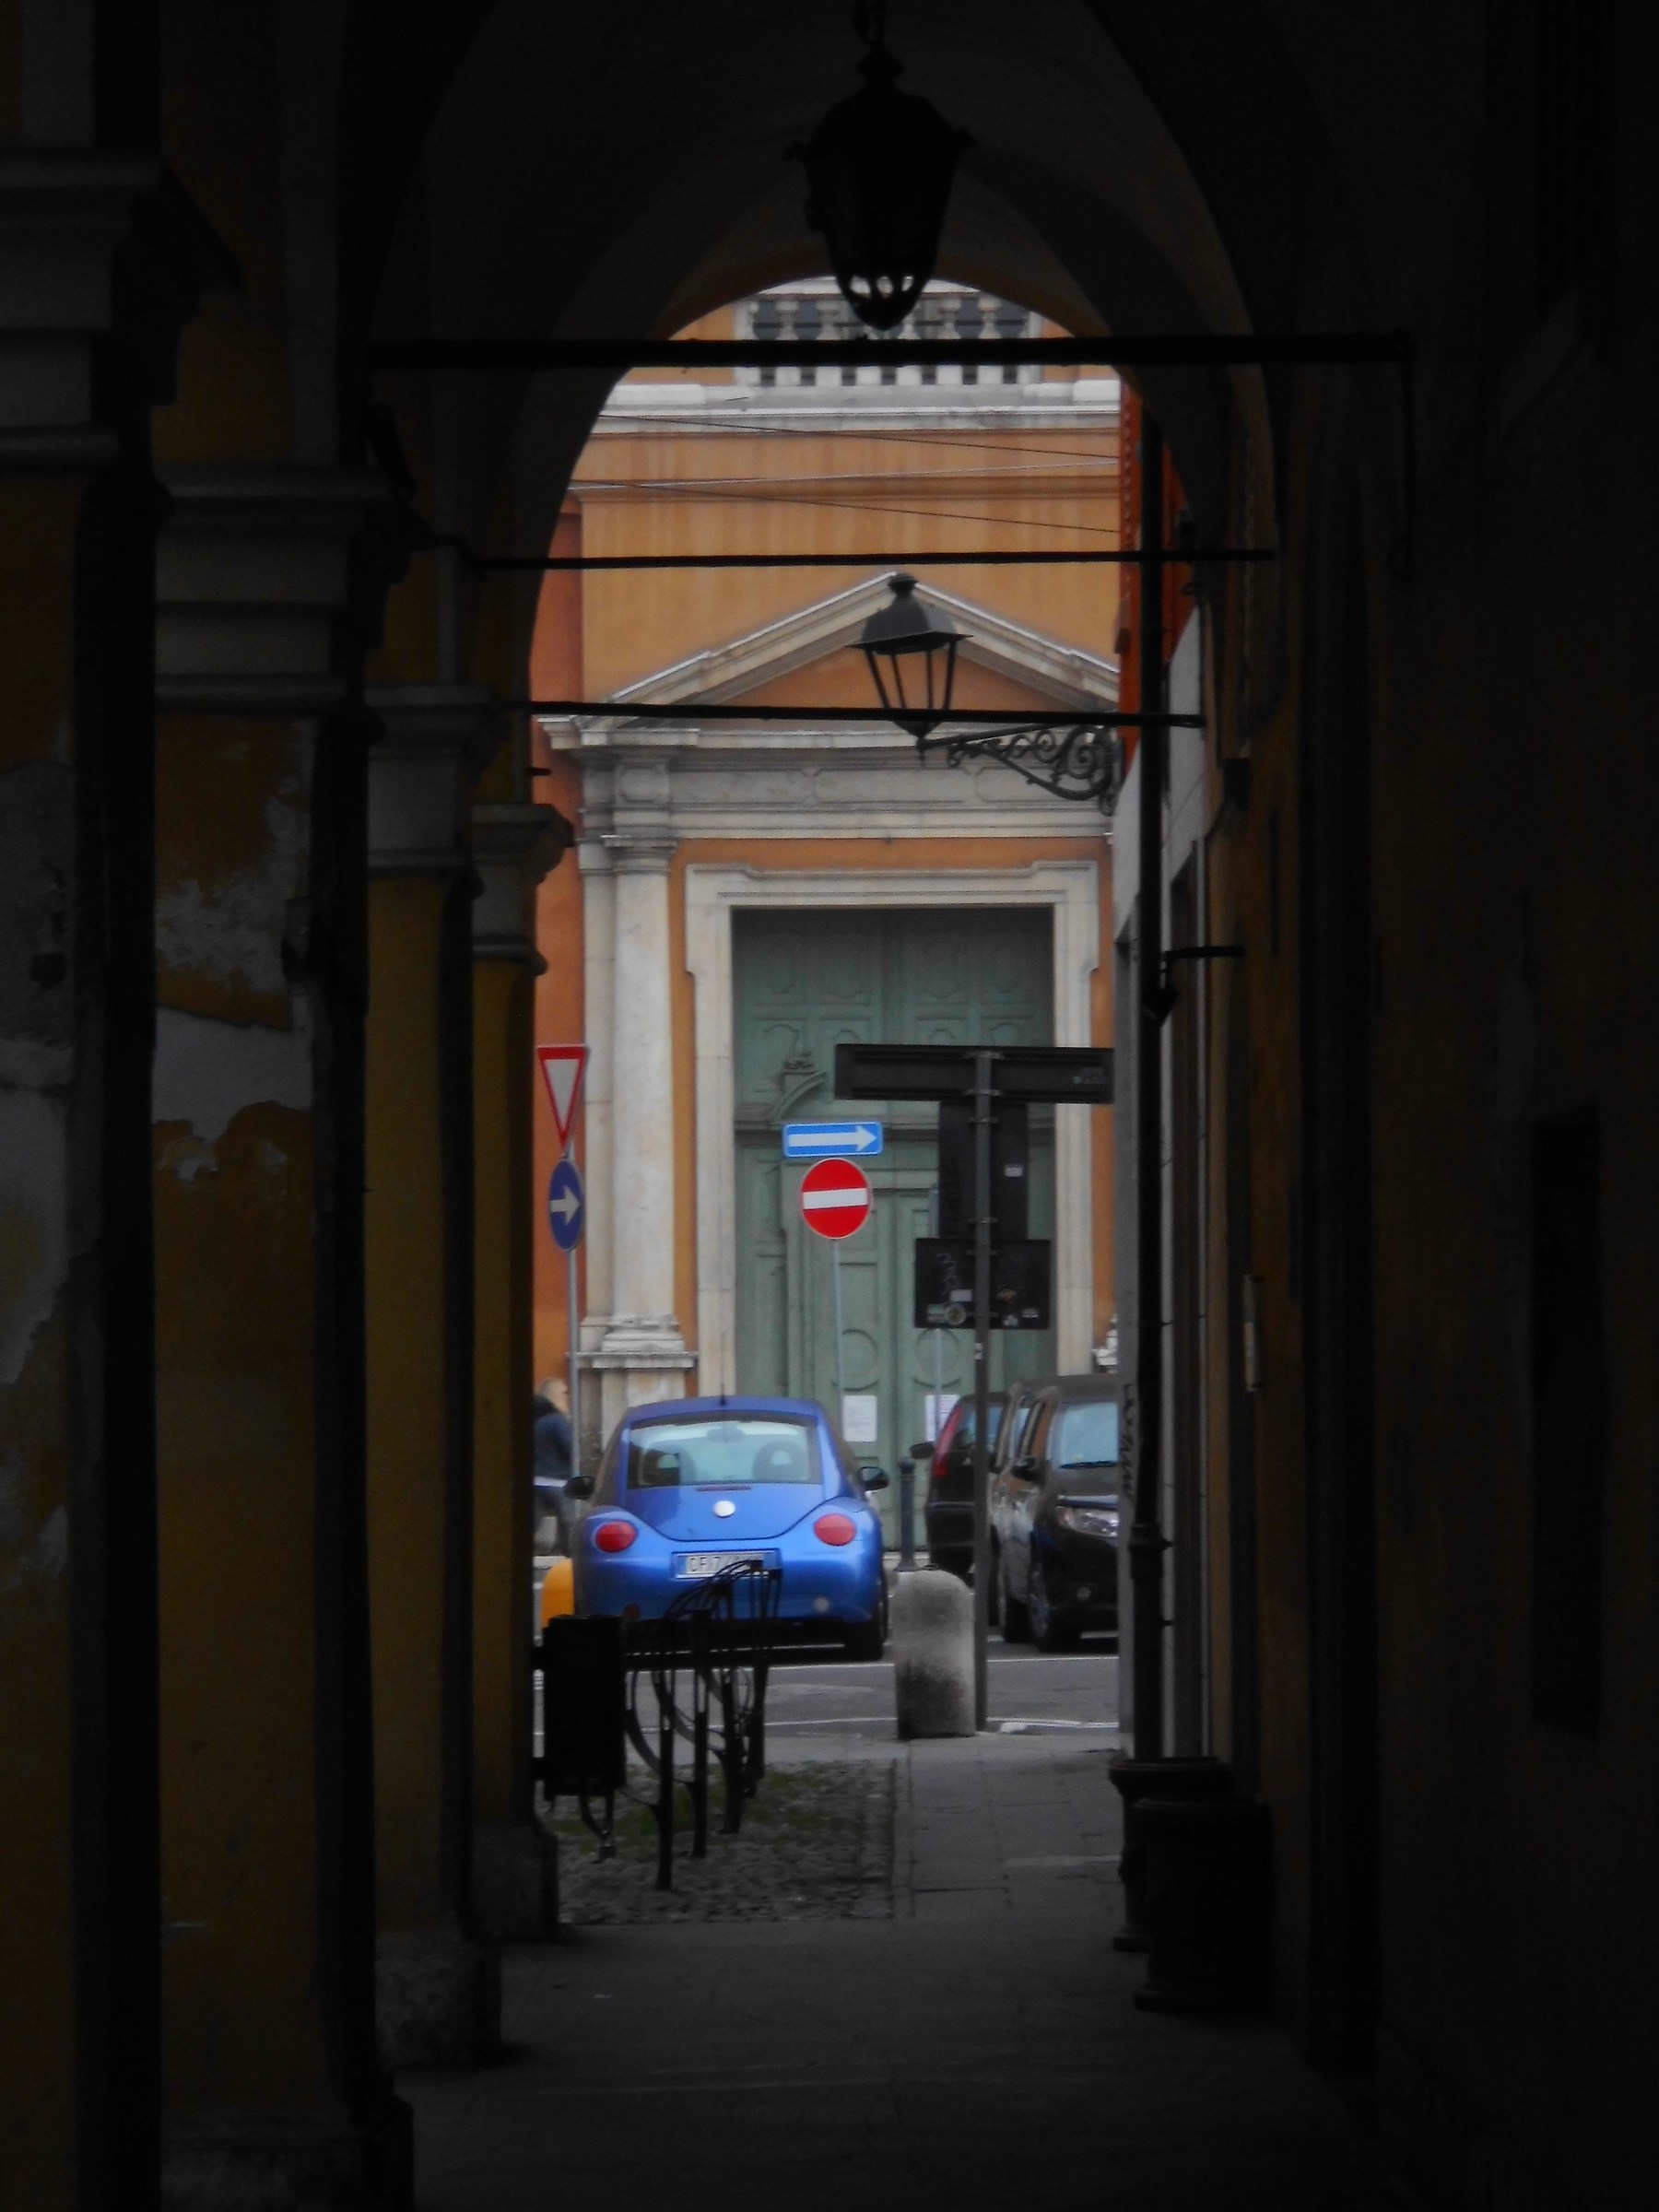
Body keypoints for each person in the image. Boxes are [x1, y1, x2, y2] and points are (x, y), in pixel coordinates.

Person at [532, 1377, 574, 1553]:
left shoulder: (538, 1420)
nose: (568, 1397)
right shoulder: (557, 1421)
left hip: (538, 1479)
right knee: (569, 1523)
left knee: (533, 1522)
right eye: (564, 1392)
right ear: (554, 1395)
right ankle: (568, 1556)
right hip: (558, 1481)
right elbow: (571, 1450)